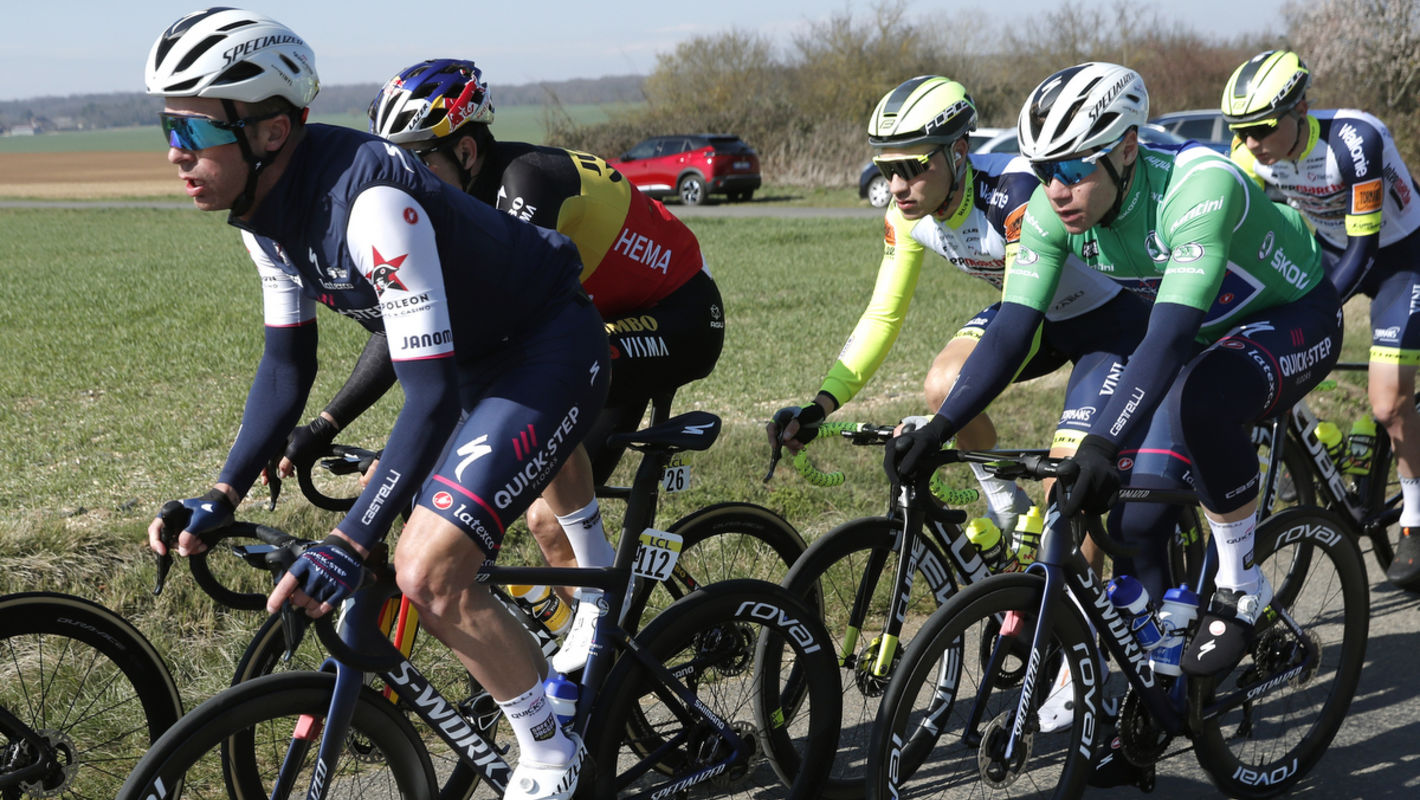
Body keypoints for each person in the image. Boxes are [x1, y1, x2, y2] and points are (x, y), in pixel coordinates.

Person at [141, 9, 604, 798]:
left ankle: (553, 753)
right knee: (398, 531)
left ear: (271, 132)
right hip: (472, 363)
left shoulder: (369, 205)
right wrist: (219, 496)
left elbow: (423, 395)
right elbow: (287, 368)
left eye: (193, 133)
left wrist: (350, 542)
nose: (176, 155)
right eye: (168, 130)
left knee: (426, 568)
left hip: (542, 347)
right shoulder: (262, 216)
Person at [887, 62, 1342, 680]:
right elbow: (1014, 328)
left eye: (1072, 168)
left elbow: (1168, 337)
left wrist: (1101, 440)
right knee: (1132, 517)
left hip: (1294, 314)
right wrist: (940, 428)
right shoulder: (1051, 213)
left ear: (1127, 149)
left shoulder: (1197, 188)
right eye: (1044, 171)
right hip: (1206, 332)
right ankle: (1159, 692)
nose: (1055, 190)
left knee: (1200, 401)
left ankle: (1243, 582)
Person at [280, 58, 724, 672]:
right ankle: (606, 666)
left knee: (547, 512)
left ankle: (609, 668)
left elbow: (509, 348)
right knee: (542, 511)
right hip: (604, 319)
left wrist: (418, 451)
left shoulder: (526, 185)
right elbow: (411, 327)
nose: (398, 180)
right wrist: (324, 424)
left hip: (677, 316)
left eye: (416, 161)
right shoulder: (443, 202)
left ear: (465, 150)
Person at [768, 75, 1147, 542]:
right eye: (886, 169)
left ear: (959, 150)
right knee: (944, 383)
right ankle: (1006, 504)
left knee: (1066, 486)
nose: (897, 185)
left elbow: (1019, 320)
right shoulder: (905, 216)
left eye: (911, 166)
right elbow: (883, 312)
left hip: (1106, 323)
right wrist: (822, 404)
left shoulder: (1014, 191)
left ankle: (1076, 608)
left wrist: (945, 425)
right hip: (1031, 316)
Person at [1221, 49, 1420, 591]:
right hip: (1327, 251)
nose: (1252, 141)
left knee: (1387, 399)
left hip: (1399, 257)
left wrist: (1310, 309)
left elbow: (1365, 249)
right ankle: (1319, 442)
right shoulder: (1247, 156)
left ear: (1301, 107)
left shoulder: (1356, 142)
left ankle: (1416, 516)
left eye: (1262, 126)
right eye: (1240, 130)